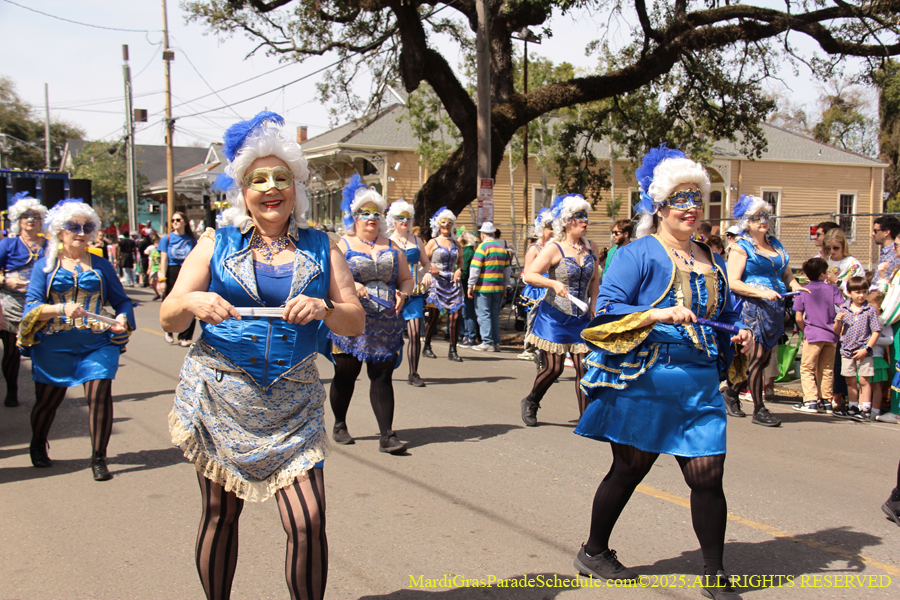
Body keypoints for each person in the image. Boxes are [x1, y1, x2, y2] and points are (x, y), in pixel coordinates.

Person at [162, 111, 365, 600]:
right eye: (259, 180)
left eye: (281, 178)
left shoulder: (323, 247)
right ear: (243, 190)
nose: (271, 188)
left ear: (295, 186)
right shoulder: (215, 242)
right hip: (220, 398)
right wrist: (192, 301)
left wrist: (325, 307)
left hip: (293, 405)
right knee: (219, 514)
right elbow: (169, 316)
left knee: (308, 520)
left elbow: (355, 322)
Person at [573, 146, 752, 598]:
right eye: (681, 198)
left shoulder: (710, 257)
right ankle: (594, 551)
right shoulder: (639, 253)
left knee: (708, 476)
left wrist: (740, 332)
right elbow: (605, 312)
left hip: (698, 386)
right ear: (660, 205)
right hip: (647, 380)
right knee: (629, 469)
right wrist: (656, 314)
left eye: (697, 198)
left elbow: (724, 312)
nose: (692, 207)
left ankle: (715, 573)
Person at [18, 200, 134, 481]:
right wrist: (59, 308)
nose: (80, 232)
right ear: (60, 230)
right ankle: (37, 443)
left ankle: (98, 457)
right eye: (73, 227)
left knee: (99, 395)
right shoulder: (44, 267)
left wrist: (122, 321)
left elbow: (122, 302)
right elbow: (31, 306)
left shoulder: (102, 265)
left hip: (97, 343)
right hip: (53, 345)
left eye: (87, 227)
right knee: (47, 401)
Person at [329, 174, 414, 454]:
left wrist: (403, 291)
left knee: (382, 377)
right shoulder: (342, 245)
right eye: (364, 213)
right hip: (352, 320)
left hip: (386, 323)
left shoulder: (392, 247)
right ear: (353, 217)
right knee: (346, 374)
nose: (371, 218)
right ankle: (340, 423)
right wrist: (353, 286)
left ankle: (387, 435)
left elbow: (406, 278)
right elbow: (332, 277)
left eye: (376, 213)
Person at [726, 194, 807, 427]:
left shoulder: (776, 245)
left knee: (764, 358)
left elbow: (786, 274)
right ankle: (759, 409)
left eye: (765, 216)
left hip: (776, 307)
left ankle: (731, 393)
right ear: (746, 222)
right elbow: (734, 281)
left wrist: (796, 285)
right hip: (753, 308)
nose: (763, 221)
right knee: (758, 356)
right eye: (757, 217)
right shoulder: (740, 247)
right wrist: (761, 293)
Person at [520, 194, 599, 425]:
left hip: (581, 317)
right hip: (554, 316)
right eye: (579, 217)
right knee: (554, 369)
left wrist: (594, 304)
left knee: (584, 367)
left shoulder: (590, 247)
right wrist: (553, 283)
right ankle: (531, 401)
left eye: (586, 216)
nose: (584, 221)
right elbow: (531, 275)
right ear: (566, 220)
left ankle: (586, 419)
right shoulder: (554, 248)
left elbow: (595, 279)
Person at [0, 193, 48, 407]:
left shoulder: (50, 245)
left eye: (36, 216)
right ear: (18, 220)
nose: (31, 220)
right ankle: (12, 390)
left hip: (42, 304)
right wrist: (6, 281)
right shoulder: (7, 244)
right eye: (26, 216)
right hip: (12, 303)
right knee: (11, 351)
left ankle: (43, 393)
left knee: (42, 350)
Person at [387, 199, 433, 387]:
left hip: (413, 294)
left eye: (407, 218)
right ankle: (385, 368)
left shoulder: (417, 241)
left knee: (414, 333)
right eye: (400, 218)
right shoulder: (386, 239)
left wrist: (429, 273)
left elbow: (427, 264)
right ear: (393, 220)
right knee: (391, 334)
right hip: (392, 294)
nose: (404, 221)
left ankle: (413, 373)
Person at [791, 258, 844, 413]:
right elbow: (843, 307)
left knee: (807, 367)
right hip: (831, 334)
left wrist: (804, 329)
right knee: (827, 369)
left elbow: (799, 317)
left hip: (813, 333)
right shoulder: (833, 290)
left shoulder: (804, 291)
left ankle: (810, 400)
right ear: (823, 274)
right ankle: (827, 401)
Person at [833, 276, 881, 421]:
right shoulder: (844, 309)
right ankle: (853, 406)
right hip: (847, 350)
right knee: (850, 380)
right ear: (849, 293)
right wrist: (838, 321)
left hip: (863, 351)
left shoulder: (870, 310)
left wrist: (866, 349)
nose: (861, 295)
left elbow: (876, 331)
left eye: (864, 292)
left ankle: (865, 408)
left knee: (864, 380)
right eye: (857, 292)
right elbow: (837, 331)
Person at [422, 208, 464, 360]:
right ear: (438, 225)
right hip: (436, 283)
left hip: (453, 282)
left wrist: (459, 270)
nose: (446, 225)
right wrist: (430, 267)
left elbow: (460, 261)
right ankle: (427, 346)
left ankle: (453, 350)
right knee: (434, 316)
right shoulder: (432, 243)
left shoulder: (456, 243)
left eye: (449, 223)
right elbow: (423, 261)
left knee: (455, 316)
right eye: (443, 222)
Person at [468, 221, 512, 353]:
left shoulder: (482, 248)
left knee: (483, 314)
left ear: (482, 235)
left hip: (483, 287)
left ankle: (487, 341)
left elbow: (475, 269)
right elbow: (507, 270)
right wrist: (505, 285)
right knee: (494, 315)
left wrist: (470, 285)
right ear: (493, 233)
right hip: (498, 287)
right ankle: (496, 342)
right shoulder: (502, 249)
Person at [516, 208, 553, 361]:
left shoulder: (553, 248)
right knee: (534, 318)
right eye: (549, 228)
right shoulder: (534, 248)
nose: (552, 232)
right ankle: (530, 347)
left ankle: (546, 348)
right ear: (541, 229)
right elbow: (527, 272)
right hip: (537, 289)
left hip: (551, 288)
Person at [159, 211, 197, 346]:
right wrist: (162, 279)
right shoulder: (167, 238)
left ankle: (185, 337)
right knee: (170, 302)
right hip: (172, 271)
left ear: (185, 222)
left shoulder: (192, 239)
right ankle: (169, 330)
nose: (175, 222)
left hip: (188, 271)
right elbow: (163, 259)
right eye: (173, 220)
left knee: (190, 303)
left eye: (178, 220)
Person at [866, 291, 893, 420]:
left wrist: (874, 339)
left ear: (880, 307)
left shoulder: (882, 321)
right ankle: (864, 407)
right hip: (864, 357)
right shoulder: (865, 317)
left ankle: (875, 410)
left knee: (876, 386)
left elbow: (890, 339)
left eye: (872, 305)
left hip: (876, 357)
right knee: (864, 385)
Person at [824, 228, 864, 296]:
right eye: (828, 248)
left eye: (836, 248)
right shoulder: (824, 262)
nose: (832, 251)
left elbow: (860, 289)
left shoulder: (853, 264)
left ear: (843, 246)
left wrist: (837, 281)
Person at [458, 231, 479, 347]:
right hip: (467, 286)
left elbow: (464, 271)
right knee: (466, 312)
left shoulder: (467, 252)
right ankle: (466, 334)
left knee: (468, 312)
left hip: (465, 286)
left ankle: (470, 336)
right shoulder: (471, 251)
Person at [871, 216, 900, 291]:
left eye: (875, 231)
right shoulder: (886, 252)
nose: (872, 233)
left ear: (887, 232)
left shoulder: (894, 255)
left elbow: (885, 284)